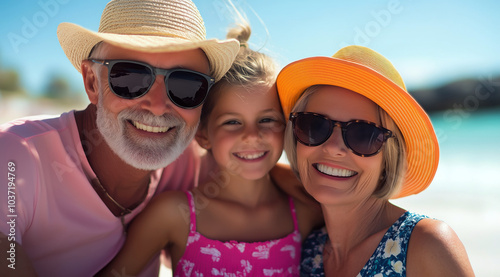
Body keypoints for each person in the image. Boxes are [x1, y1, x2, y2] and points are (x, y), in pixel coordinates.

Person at [0, 0, 267, 276]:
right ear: (92, 82)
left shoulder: (190, 163)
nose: (158, 105)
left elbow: (274, 179)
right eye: (130, 77)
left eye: (186, 85)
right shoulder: (14, 157)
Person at [96, 22, 323, 277]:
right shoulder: (174, 215)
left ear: (285, 126)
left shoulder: (306, 214)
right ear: (203, 135)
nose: (251, 136)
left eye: (267, 119)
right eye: (232, 122)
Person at [276, 45, 475, 276]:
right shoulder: (308, 250)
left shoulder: (426, 244)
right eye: (314, 126)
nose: (333, 148)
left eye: (363, 135)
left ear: (389, 159)